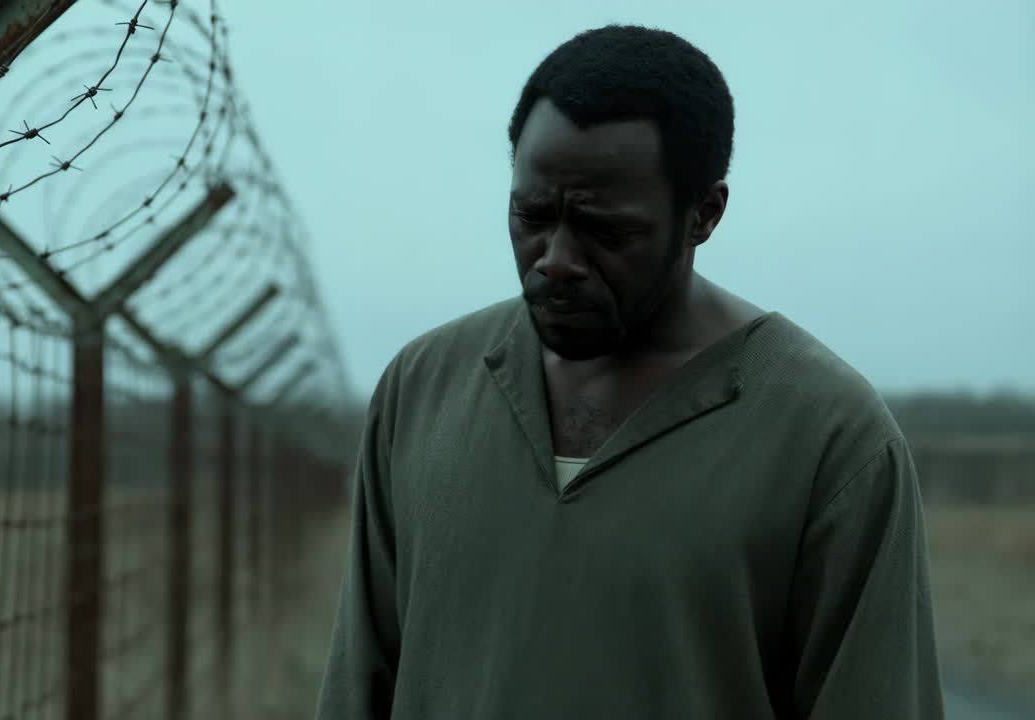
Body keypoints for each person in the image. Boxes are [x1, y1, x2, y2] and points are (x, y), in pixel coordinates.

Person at [314, 24, 944, 720]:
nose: (555, 258)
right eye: (531, 216)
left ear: (704, 214)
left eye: (606, 230)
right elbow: (358, 684)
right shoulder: (422, 390)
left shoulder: (833, 441)